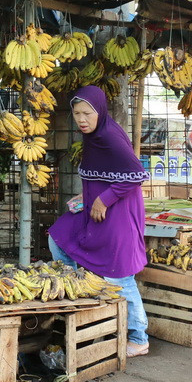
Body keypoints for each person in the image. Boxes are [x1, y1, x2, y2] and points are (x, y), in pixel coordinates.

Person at [48, 85, 151, 358]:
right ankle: (79, 289)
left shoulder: (108, 136)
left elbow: (136, 174)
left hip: (116, 213)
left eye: (87, 113)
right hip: (94, 210)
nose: (82, 119)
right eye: (77, 113)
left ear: (100, 112)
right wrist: (87, 195)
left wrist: (102, 199)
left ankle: (139, 337)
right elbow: (101, 172)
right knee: (59, 237)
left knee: (120, 275)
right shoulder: (94, 136)